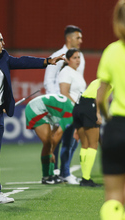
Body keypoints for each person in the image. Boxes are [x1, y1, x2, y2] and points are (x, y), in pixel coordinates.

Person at [0, 28, 64, 206]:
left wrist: (47, 61)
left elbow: (22, 61)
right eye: (0, 40)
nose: (4, 43)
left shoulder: (3, 57)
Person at [96, 1, 125, 219]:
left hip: (116, 128)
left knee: (113, 198)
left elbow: (101, 97)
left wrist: (109, 118)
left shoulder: (112, 51)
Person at [43, 25, 84, 182]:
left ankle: (63, 171)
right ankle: (52, 171)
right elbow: (49, 82)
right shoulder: (57, 56)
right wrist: (58, 102)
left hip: (72, 104)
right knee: (57, 138)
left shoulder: (79, 56)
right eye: (78, 37)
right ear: (69, 38)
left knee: (68, 138)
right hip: (59, 104)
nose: (81, 40)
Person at [25, 94, 74, 184]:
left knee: (49, 144)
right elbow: (59, 133)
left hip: (42, 108)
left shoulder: (71, 107)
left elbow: (56, 128)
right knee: (48, 144)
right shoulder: (71, 115)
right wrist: (51, 151)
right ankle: (47, 177)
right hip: (36, 109)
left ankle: (50, 175)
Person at [72, 79, 112, 187]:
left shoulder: (98, 79)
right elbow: (100, 93)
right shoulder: (111, 80)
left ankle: (85, 178)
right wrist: (98, 113)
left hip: (78, 106)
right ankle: (86, 178)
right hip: (90, 105)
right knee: (93, 144)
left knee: (84, 145)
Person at [57, 48, 86, 184]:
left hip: (77, 111)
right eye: (74, 57)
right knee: (68, 142)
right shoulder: (65, 72)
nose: (77, 60)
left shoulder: (76, 73)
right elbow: (64, 92)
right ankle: (65, 173)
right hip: (69, 111)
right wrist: (77, 107)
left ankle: (65, 172)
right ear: (68, 60)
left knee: (74, 143)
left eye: (78, 57)